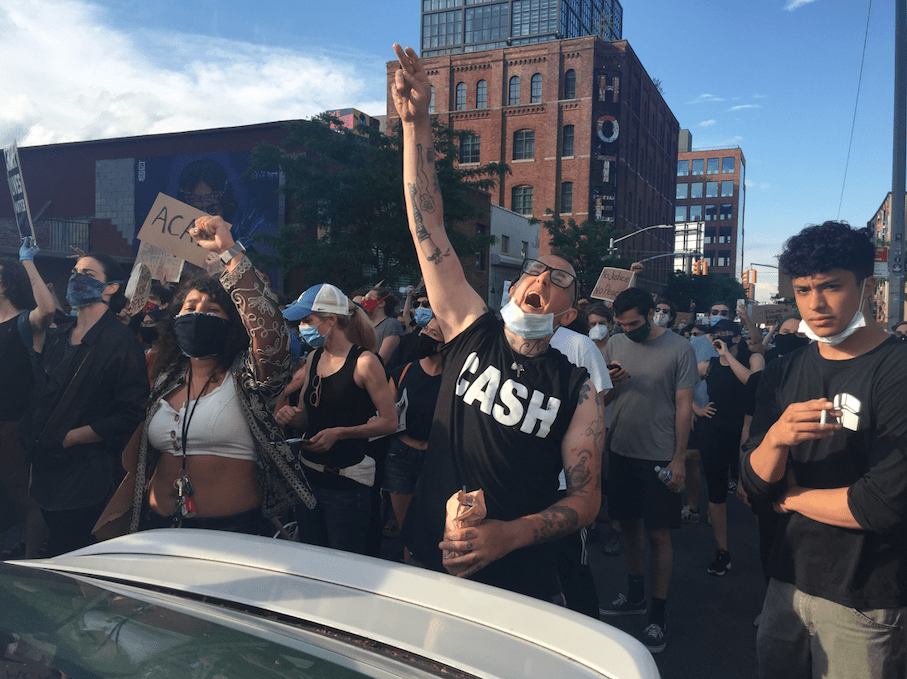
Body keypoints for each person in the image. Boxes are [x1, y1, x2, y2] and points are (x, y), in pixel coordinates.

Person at [392, 43, 602, 602]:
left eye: (559, 281)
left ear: (570, 315)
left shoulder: (576, 388)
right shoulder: (470, 329)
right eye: (534, 270)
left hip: (514, 577)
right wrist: (418, 127)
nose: (542, 280)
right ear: (513, 288)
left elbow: (586, 500)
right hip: (426, 556)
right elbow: (426, 226)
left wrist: (509, 536)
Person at [741, 221, 907, 679]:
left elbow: (883, 504)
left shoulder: (896, 370)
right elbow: (752, 484)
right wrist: (775, 438)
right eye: (803, 290)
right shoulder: (782, 372)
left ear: (866, 286)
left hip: (867, 596)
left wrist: (790, 498)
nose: (815, 304)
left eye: (831, 286)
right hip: (786, 581)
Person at [94, 216, 316, 539]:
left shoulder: (248, 377)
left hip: (233, 533)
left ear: (234, 325)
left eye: (212, 310)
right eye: (190, 306)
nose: (197, 313)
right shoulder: (165, 375)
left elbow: (271, 334)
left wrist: (229, 250)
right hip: (158, 530)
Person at [19, 251, 149, 556]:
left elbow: (132, 411)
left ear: (111, 287)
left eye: (88, 275)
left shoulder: (121, 342)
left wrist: (74, 437)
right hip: (47, 467)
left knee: (74, 551)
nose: (77, 278)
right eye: (75, 271)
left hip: (86, 474)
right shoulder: (59, 335)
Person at [598, 286, 697, 653]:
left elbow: (684, 406)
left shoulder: (679, 348)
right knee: (627, 527)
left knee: (659, 535)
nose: (628, 330)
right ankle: (635, 593)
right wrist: (612, 383)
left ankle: (657, 615)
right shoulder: (615, 343)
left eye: (634, 323)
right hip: (621, 449)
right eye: (621, 324)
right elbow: (602, 396)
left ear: (652, 313)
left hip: (659, 456)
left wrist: (679, 458)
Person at [276, 283, 397, 554]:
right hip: (308, 479)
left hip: (346, 486)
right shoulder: (314, 357)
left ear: (331, 320)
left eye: (308, 320)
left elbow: (390, 422)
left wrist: (340, 433)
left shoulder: (365, 362)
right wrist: (291, 417)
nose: (302, 327)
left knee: (343, 567)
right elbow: (307, 419)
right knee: (310, 560)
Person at [695, 318, 763, 576]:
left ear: (736, 337)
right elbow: (681, 384)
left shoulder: (753, 359)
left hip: (746, 433)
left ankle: (769, 545)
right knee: (716, 492)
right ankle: (722, 551)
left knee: (752, 492)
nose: (717, 339)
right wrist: (697, 409)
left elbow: (754, 384)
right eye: (714, 335)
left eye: (723, 335)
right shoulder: (708, 365)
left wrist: (728, 356)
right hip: (714, 431)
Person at [0, 238, 54, 557]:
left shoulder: (26, 322)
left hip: (15, 429)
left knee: (22, 498)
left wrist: (27, 262)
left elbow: (47, 308)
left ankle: (32, 559)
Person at [383, 318, 444, 542]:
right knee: (407, 528)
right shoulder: (402, 372)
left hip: (436, 459)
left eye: (434, 333)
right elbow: (387, 417)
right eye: (426, 329)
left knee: (433, 525)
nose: (425, 335)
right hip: (401, 457)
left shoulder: (454, 380)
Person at [682, 300, 733, 523]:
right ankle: (693, 506)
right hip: (697, 409)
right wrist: (692, 408)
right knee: (692, 458)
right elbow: (683, 380)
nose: (719, 315)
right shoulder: (693, 344)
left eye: (724, 313)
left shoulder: (737, 343)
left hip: (722, 413)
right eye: (715, 312)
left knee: (718, 463)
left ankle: (716, 507)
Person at [361, 286, 405, 366]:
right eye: (364, 298)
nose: (364, 301)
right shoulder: (365, 326)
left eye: (369, 298)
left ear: (381, 303)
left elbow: (382, 359)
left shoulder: (391, 324)